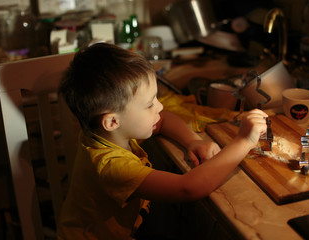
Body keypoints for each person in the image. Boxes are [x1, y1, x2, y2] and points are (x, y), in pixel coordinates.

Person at [57, 42, 268, 240]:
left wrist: (193, 141)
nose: (159, 107)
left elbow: (163, 119)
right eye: (149, 104)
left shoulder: (106, 132)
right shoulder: (112, 167)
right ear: (112, 121)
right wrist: (244, 140)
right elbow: (188, 188)